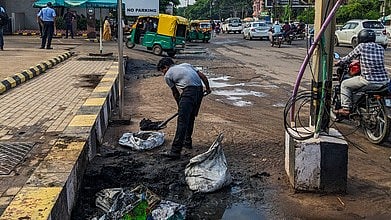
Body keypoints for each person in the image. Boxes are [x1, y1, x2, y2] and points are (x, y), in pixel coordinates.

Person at [157, 57, 211, 159]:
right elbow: (203, 77)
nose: (163, 73)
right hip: (199, 91)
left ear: (165, 67)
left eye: (162, 71)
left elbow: (176, 93)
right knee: (190, 118)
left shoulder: (168, 75)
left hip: (188, 92)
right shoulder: (186, 65)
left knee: (182, 122)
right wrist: (208, 89)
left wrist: (180, 106)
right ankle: (187, 143)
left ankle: (175, 151)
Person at [334, 29, 390, 116]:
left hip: (368, 80)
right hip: (384, 81)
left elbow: (349, 57)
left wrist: (339, 62)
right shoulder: (380, 48)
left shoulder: (362, 46)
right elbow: (372, 59)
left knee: (345, 84)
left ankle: (346, 108)